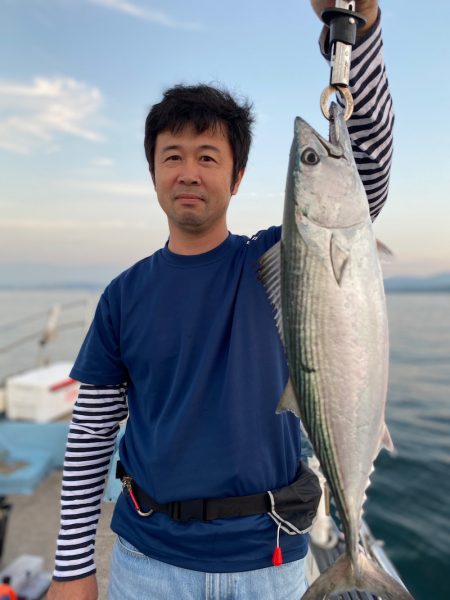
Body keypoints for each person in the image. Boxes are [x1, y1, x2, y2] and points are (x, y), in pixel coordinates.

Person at [48, 1, 393, 598]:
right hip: (146, 561)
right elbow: (90, 437)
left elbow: (364, 165)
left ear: (235, 178)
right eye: (172, 157)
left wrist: (359, 28)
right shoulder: (123, 295)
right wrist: (72, 568)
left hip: (270, 560)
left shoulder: (278, 262)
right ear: (152, 173)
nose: (188, 172)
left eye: (208, 157)